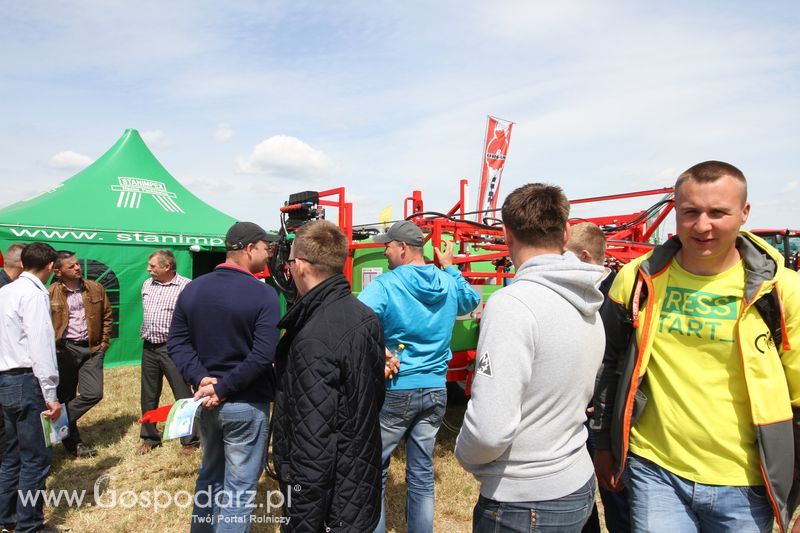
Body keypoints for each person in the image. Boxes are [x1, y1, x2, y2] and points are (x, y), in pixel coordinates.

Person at [592, 161, 800, 533]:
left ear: (744, 213)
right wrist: (604, 445)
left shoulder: (784, 291)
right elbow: (609, 366)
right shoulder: (637, 279)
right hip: (655, 472)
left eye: (718, 212)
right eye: (690, 212)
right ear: (675, 212)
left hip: (747, 483)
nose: (703, 225)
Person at [455, 183, 605, 532]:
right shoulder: (588, 301)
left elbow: (489, 430)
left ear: (505, 234)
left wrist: (463, 453)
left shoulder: (513, 305)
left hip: (524, 501)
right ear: (566, 233)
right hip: (577, 482)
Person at [358, 220, 481, 533]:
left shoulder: (387, 284)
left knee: (374, 471)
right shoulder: (448, 281)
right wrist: (451, 267)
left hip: (397, 387)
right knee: (422, 472)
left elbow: (354, 321)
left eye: (388, 245)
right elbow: (471, 300)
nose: (384, 251)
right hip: (436, 389)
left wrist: (378, 351)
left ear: (402, 248)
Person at [272, 220, 385, 531]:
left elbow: (312, 442)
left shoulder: (312, 337)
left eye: (291, 261)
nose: (289, 268)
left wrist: (300, 520)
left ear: (303, 267)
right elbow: (373, 396)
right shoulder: (365, 316)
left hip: (330, 501)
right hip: (357, 478)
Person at [168, 221, 280, 532]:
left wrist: (202, 379)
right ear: (248, 249)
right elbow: (263, 354)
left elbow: (176, 342)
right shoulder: (264, 295)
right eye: (264, 248)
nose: (269, 253)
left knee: (210, 476)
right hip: (245, 403)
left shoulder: (193, 289)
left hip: (206, 402)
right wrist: (222, 387)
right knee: (240, 489)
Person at [566, 222, 630, 533]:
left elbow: (618, 357)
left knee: (615, 494)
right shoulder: (582, 292)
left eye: (568, 259)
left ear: (587, 257)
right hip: (579, 410)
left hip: (603, 412)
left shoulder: (617, 297)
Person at [0, 243, 61, 533]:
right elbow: (41, 346)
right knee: (36, 458)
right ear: (50, 266)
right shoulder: (35, 295)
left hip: (6, 379)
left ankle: (7, 517)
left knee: (12, 454)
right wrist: (51, 395)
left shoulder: (5, 291)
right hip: (28, 380)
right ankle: (29, 525)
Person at [49, 250, 112, 458]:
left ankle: (55, 423)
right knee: (65, 396)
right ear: (58, 272)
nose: (77, 268)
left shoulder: (95, 288)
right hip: (65, 350)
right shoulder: (49, 293)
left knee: (93, 393)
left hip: (92, 349)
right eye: (71, 266)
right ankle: (74, 444)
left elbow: (107, 316)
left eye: (77, 264)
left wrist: (103, 344)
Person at [139, 249, 198, 454]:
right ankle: (149, 437)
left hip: (173, 348)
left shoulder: (187, 287)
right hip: (149, 346)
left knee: (182, 395)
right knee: (148, 394)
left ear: (167, 267)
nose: (148, 269)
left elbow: (194, 320)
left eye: (153, 266)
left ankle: (189, 440)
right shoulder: (147, 284)